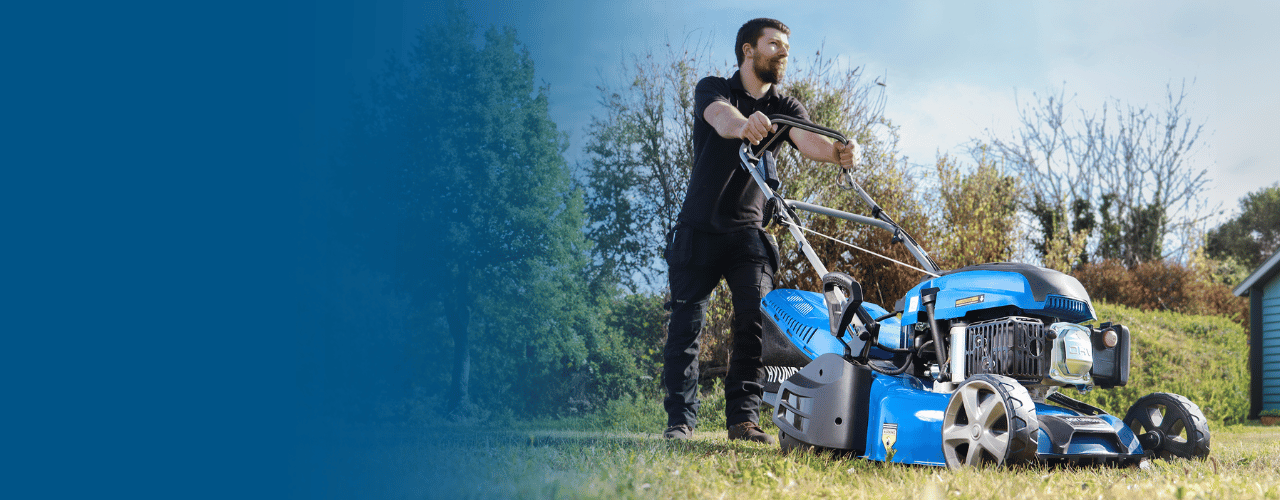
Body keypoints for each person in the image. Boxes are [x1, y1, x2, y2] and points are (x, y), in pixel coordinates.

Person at [663, 18, 862, 443]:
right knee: (685, 328)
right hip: (698, 230)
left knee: (754, 323)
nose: (783, 52)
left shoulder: (786, 106)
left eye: (786, 46)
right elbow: (720, 118)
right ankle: (680, 422)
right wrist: (744, 125)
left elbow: (809, 141)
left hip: (749, 234)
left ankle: (743, 420)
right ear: (748, 51)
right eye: (774, 44)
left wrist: (839, 153)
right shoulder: (713, 87)